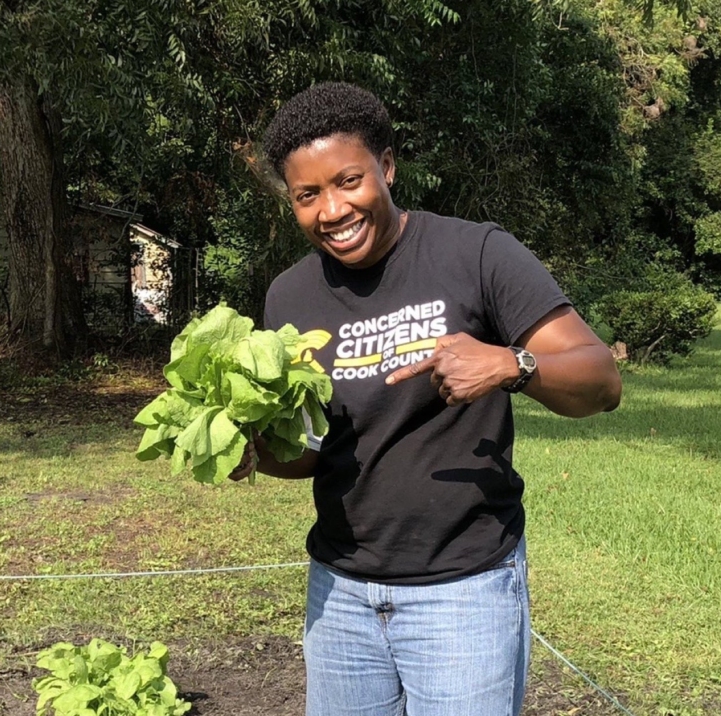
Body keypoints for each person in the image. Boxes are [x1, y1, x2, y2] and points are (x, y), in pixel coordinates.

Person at [228, 82, 623, 716]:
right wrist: (252, 453)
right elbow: (311, 452)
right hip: (341, 595)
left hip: (463, 591)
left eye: (348, 180)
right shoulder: (289, 298)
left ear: (386, 167)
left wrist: (510, 364)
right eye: (308, 195)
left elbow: (601, 380)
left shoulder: (476, 253)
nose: (331, 209)